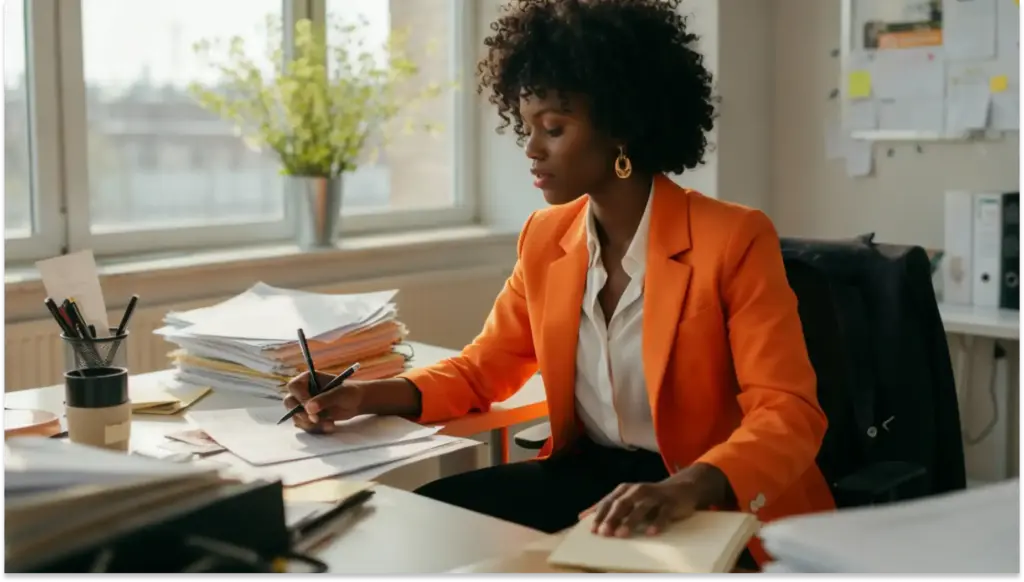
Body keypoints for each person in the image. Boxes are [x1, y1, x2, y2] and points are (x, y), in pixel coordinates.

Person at [285, 0, 835, 567]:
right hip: (588, 479)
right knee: (425, 528)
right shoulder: (546, 237)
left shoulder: (734, 238)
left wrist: (687, 488)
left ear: (621, 125)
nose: (531, 148)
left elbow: (788, 413)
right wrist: (360, 395)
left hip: (709, 494)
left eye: (554, 128)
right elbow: (483, 371)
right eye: (526, 128)